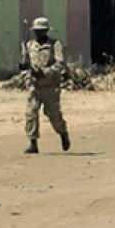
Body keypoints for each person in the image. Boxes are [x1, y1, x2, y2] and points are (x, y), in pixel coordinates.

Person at [20, 18, 70, 154]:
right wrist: (25, 75)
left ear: (46, 31)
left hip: (50, 86)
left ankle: (63, 133)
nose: (38, 34)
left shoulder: (55, 45)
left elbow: (60, 64)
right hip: (35, 86)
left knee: (53, 114)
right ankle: (33, 143)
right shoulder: (29, 45)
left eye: (41, 31)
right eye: (36, 31)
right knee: (31, 113)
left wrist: (45, 72)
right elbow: (25, 64)